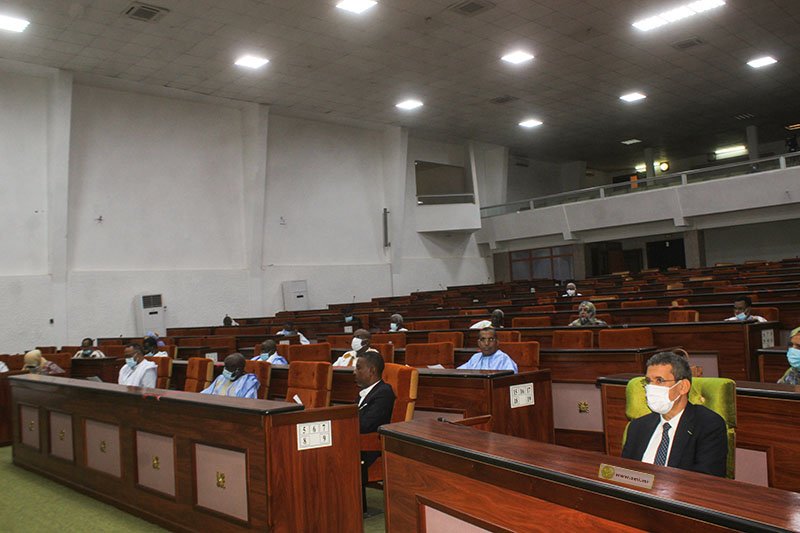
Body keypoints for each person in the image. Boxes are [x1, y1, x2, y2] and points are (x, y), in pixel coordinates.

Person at [622, 351, 727, 477]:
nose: (651, 388)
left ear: (683, 387)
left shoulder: (708, 425)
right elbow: (624, 474)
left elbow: (706, 480)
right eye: (648, 381)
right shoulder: (638, 427)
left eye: (659, 380)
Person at [355, 351, 395, 513]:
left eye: (358, 368)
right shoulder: (366, 392)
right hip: (358, 441)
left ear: (371, 371)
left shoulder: (383, 393)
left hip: (370, 448)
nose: (354, 372)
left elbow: (366, 424)